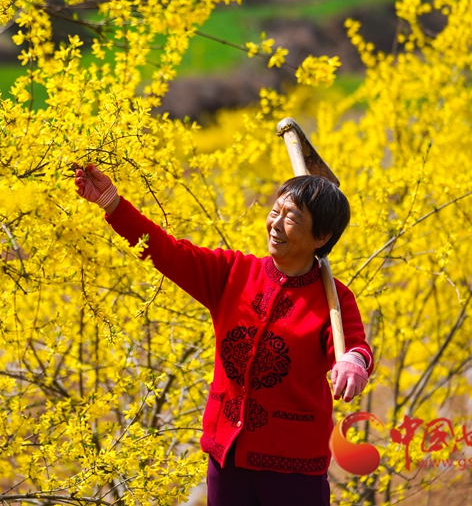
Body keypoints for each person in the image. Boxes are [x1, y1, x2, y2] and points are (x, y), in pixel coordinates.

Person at [73, 164, 372, 506]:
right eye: (275, 211)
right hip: (227, 459)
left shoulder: (334, 299)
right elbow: (167, 252)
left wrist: (353, 361)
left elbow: (354, 347)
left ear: (321, 237)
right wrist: (112, 203)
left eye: (292, 218)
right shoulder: (233, 273)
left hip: (293, 470)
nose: (276, 224)